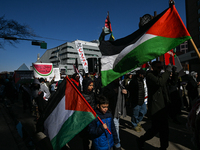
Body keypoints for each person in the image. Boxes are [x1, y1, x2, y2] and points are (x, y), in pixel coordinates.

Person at [137, 61, 175, 150]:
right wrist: (168, 71)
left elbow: (172, 83)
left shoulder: (160, 75)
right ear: (153, 67)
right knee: (155, 129)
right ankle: (141, 140)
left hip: (163, 107)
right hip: (156, 107)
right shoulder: (150, 75)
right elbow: (160, 82)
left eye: (161, 67)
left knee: (165, 130)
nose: (160, 69)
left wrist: (175, 73)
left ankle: (163, 147)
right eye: (158, 67)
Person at [102, 78, 128, 146]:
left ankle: (115, 142)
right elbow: (104, 96)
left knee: (115, 126)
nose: (119, 78)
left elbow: (126, 95)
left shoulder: (120, 85)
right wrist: (113, 92)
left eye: (119, 77)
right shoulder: (108, 85)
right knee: (115, 127)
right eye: (117, 77)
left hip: (118, 110)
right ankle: (117, 144)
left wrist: (126, 92)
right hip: (112, 110)